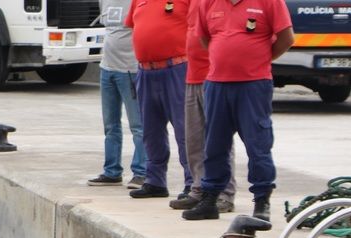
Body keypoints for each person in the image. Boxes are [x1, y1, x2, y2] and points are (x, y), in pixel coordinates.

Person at [182, 0, 293, 221]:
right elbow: (205, 39)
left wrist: (259, 59)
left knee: (257, 144)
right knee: (214, 144)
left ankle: (262, 201)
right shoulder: (208, 3)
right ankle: (210, 199)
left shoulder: (269, 2)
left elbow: (286, 38)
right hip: (217, 84)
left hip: (253, 85)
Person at [169, 0, 235, 213]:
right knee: (194, 140)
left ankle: (224, 194)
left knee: (219, 139)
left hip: (214, 78)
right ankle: (199, 188)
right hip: (192, 76)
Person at [125, 0, 192, 200]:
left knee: (185, 129)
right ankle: (155, 181)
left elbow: (201, 26)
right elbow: (134, 26)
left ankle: (192, 182)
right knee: (150, 130)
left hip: (177, 69)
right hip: (146, 71)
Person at [88, 0, 147, 190]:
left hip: (129, 69)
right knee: (110, 125)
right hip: (107, 68)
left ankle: (141, 172)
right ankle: (112, 171)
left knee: (138, 125)